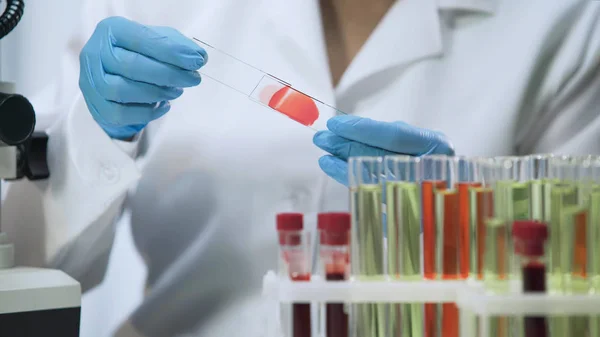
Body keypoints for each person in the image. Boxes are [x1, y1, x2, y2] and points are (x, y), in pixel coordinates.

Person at [3, 0, 599, 336]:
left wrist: (467, 216)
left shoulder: (564, 20)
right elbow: (31, 266)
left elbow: (579, 285)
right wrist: (96, 135)